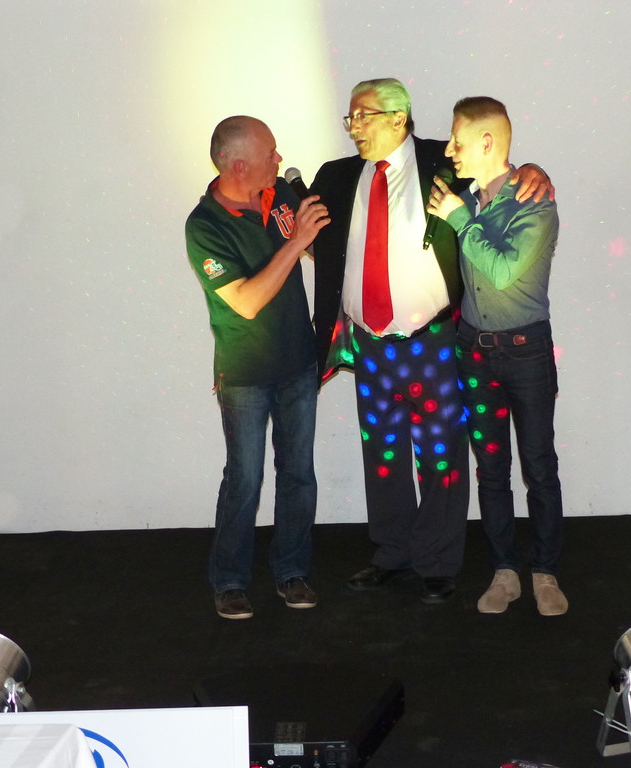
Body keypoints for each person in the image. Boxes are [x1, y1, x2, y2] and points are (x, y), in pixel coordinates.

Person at [310, 78, 553, 605]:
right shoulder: (335, 176)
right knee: (383, 453)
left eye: (363, 115)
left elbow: (494, 166)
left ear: (399, 117)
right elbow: (302, 227)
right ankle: (390, 553)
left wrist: (534, 170)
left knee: (441, 454)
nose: (353, 127)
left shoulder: (443, 163)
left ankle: (438, 562)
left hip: (434, 339)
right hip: (369, 344)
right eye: (350, 118)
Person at [184, 116, 330, 619]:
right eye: (270, 152)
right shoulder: (204, 226)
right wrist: (296, 243)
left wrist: (314, 234)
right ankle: (229, 580)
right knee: (244, 479)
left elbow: (317, 251)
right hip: (245, 374)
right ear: (239, 165)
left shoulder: (281, 196)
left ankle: (293, 572)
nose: (279, 158)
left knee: (299, 474)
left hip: (299, 362)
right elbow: (246, 301)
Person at [427, 96, 567, 616]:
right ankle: (505, 571)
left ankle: (545, 573)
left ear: (486, 142)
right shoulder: (462, 196)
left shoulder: (535, 202)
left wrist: (462, 220)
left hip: (526, 353)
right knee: (490, 468)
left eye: (458, 141)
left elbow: (504, 271)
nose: (450, 150)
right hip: (474, 354)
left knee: (538, 465)